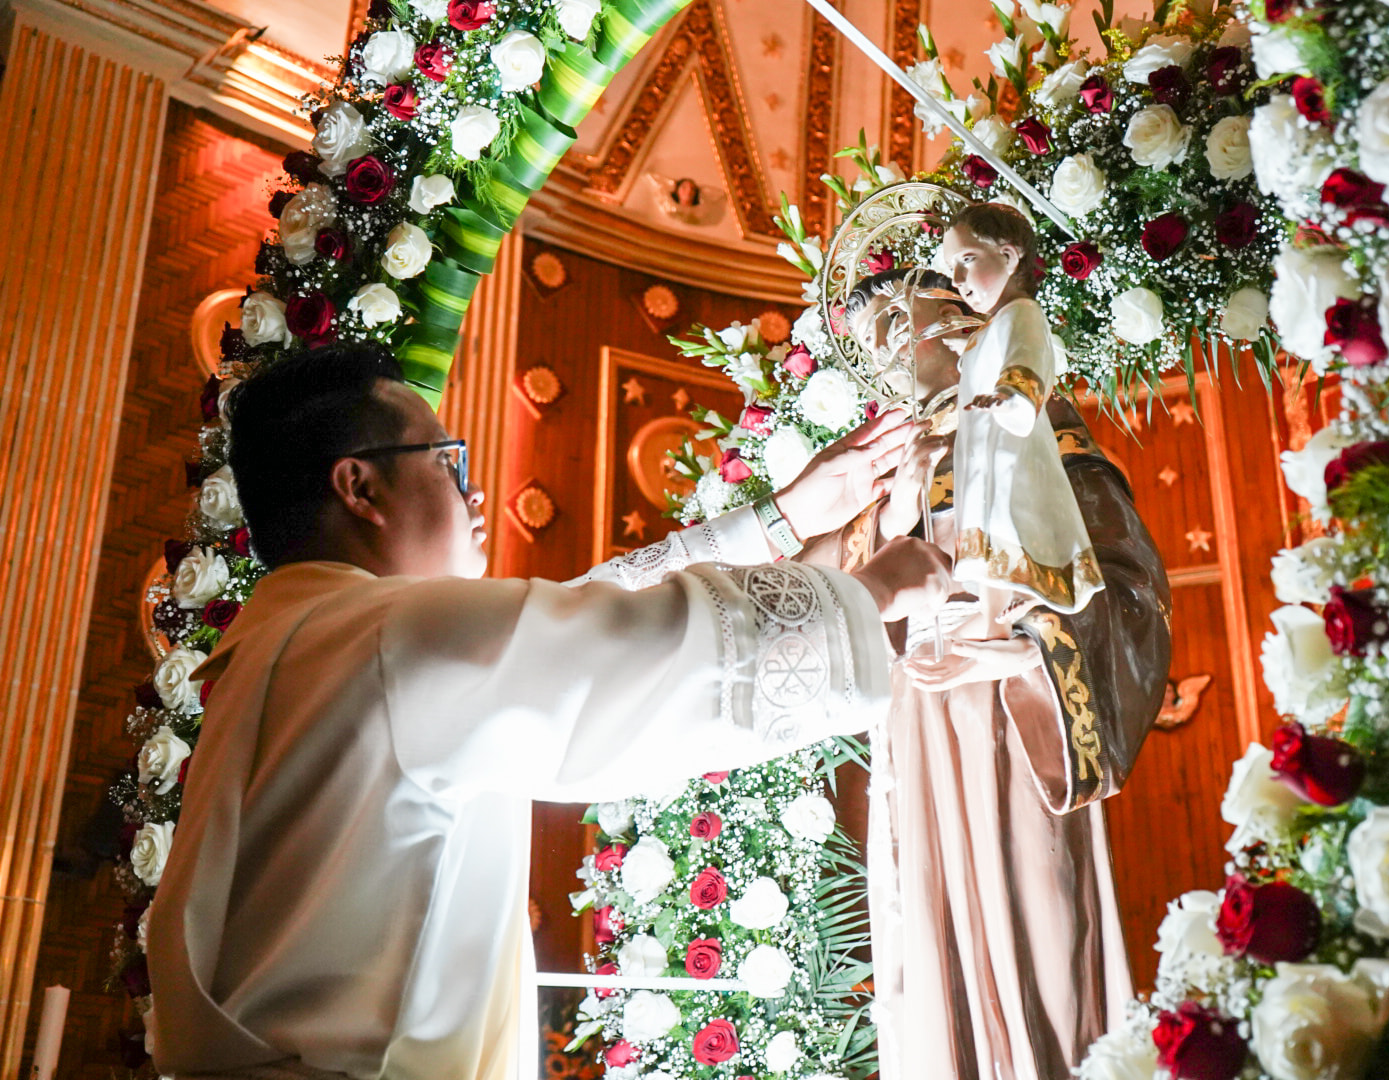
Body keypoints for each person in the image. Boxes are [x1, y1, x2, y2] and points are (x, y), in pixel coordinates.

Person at [145, 344, 952, 1080]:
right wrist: (872, 592)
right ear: (360, 486)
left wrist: (780, 520)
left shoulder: (294, 642)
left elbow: (569, 626)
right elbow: (644, 655)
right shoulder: (387, 639)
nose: (477, 490)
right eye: (449, 462)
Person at [835, 267, 1173, 1080]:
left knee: (1040, 920)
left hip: (1024, 710)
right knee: (934, 923)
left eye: (894, 316)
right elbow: (850, 603)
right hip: (918, 716)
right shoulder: (886, 461)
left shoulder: (1031, 423)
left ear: (954, 317)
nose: (883, 345)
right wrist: (890, 508)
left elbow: (1131, 584)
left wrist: (1024, 648)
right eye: (866, 334)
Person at [943, 202, 1104, 617]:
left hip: (1011, 445)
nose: (958, 280)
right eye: (952, 267)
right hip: (986, 446)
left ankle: (1022, 600)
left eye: (967, 260)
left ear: (1009, 256)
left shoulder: (1023, 313)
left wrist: (1009, 395)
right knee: (985, 519)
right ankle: (993, 613)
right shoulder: (991, 327)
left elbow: (1027, 356)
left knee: (1014, 513)